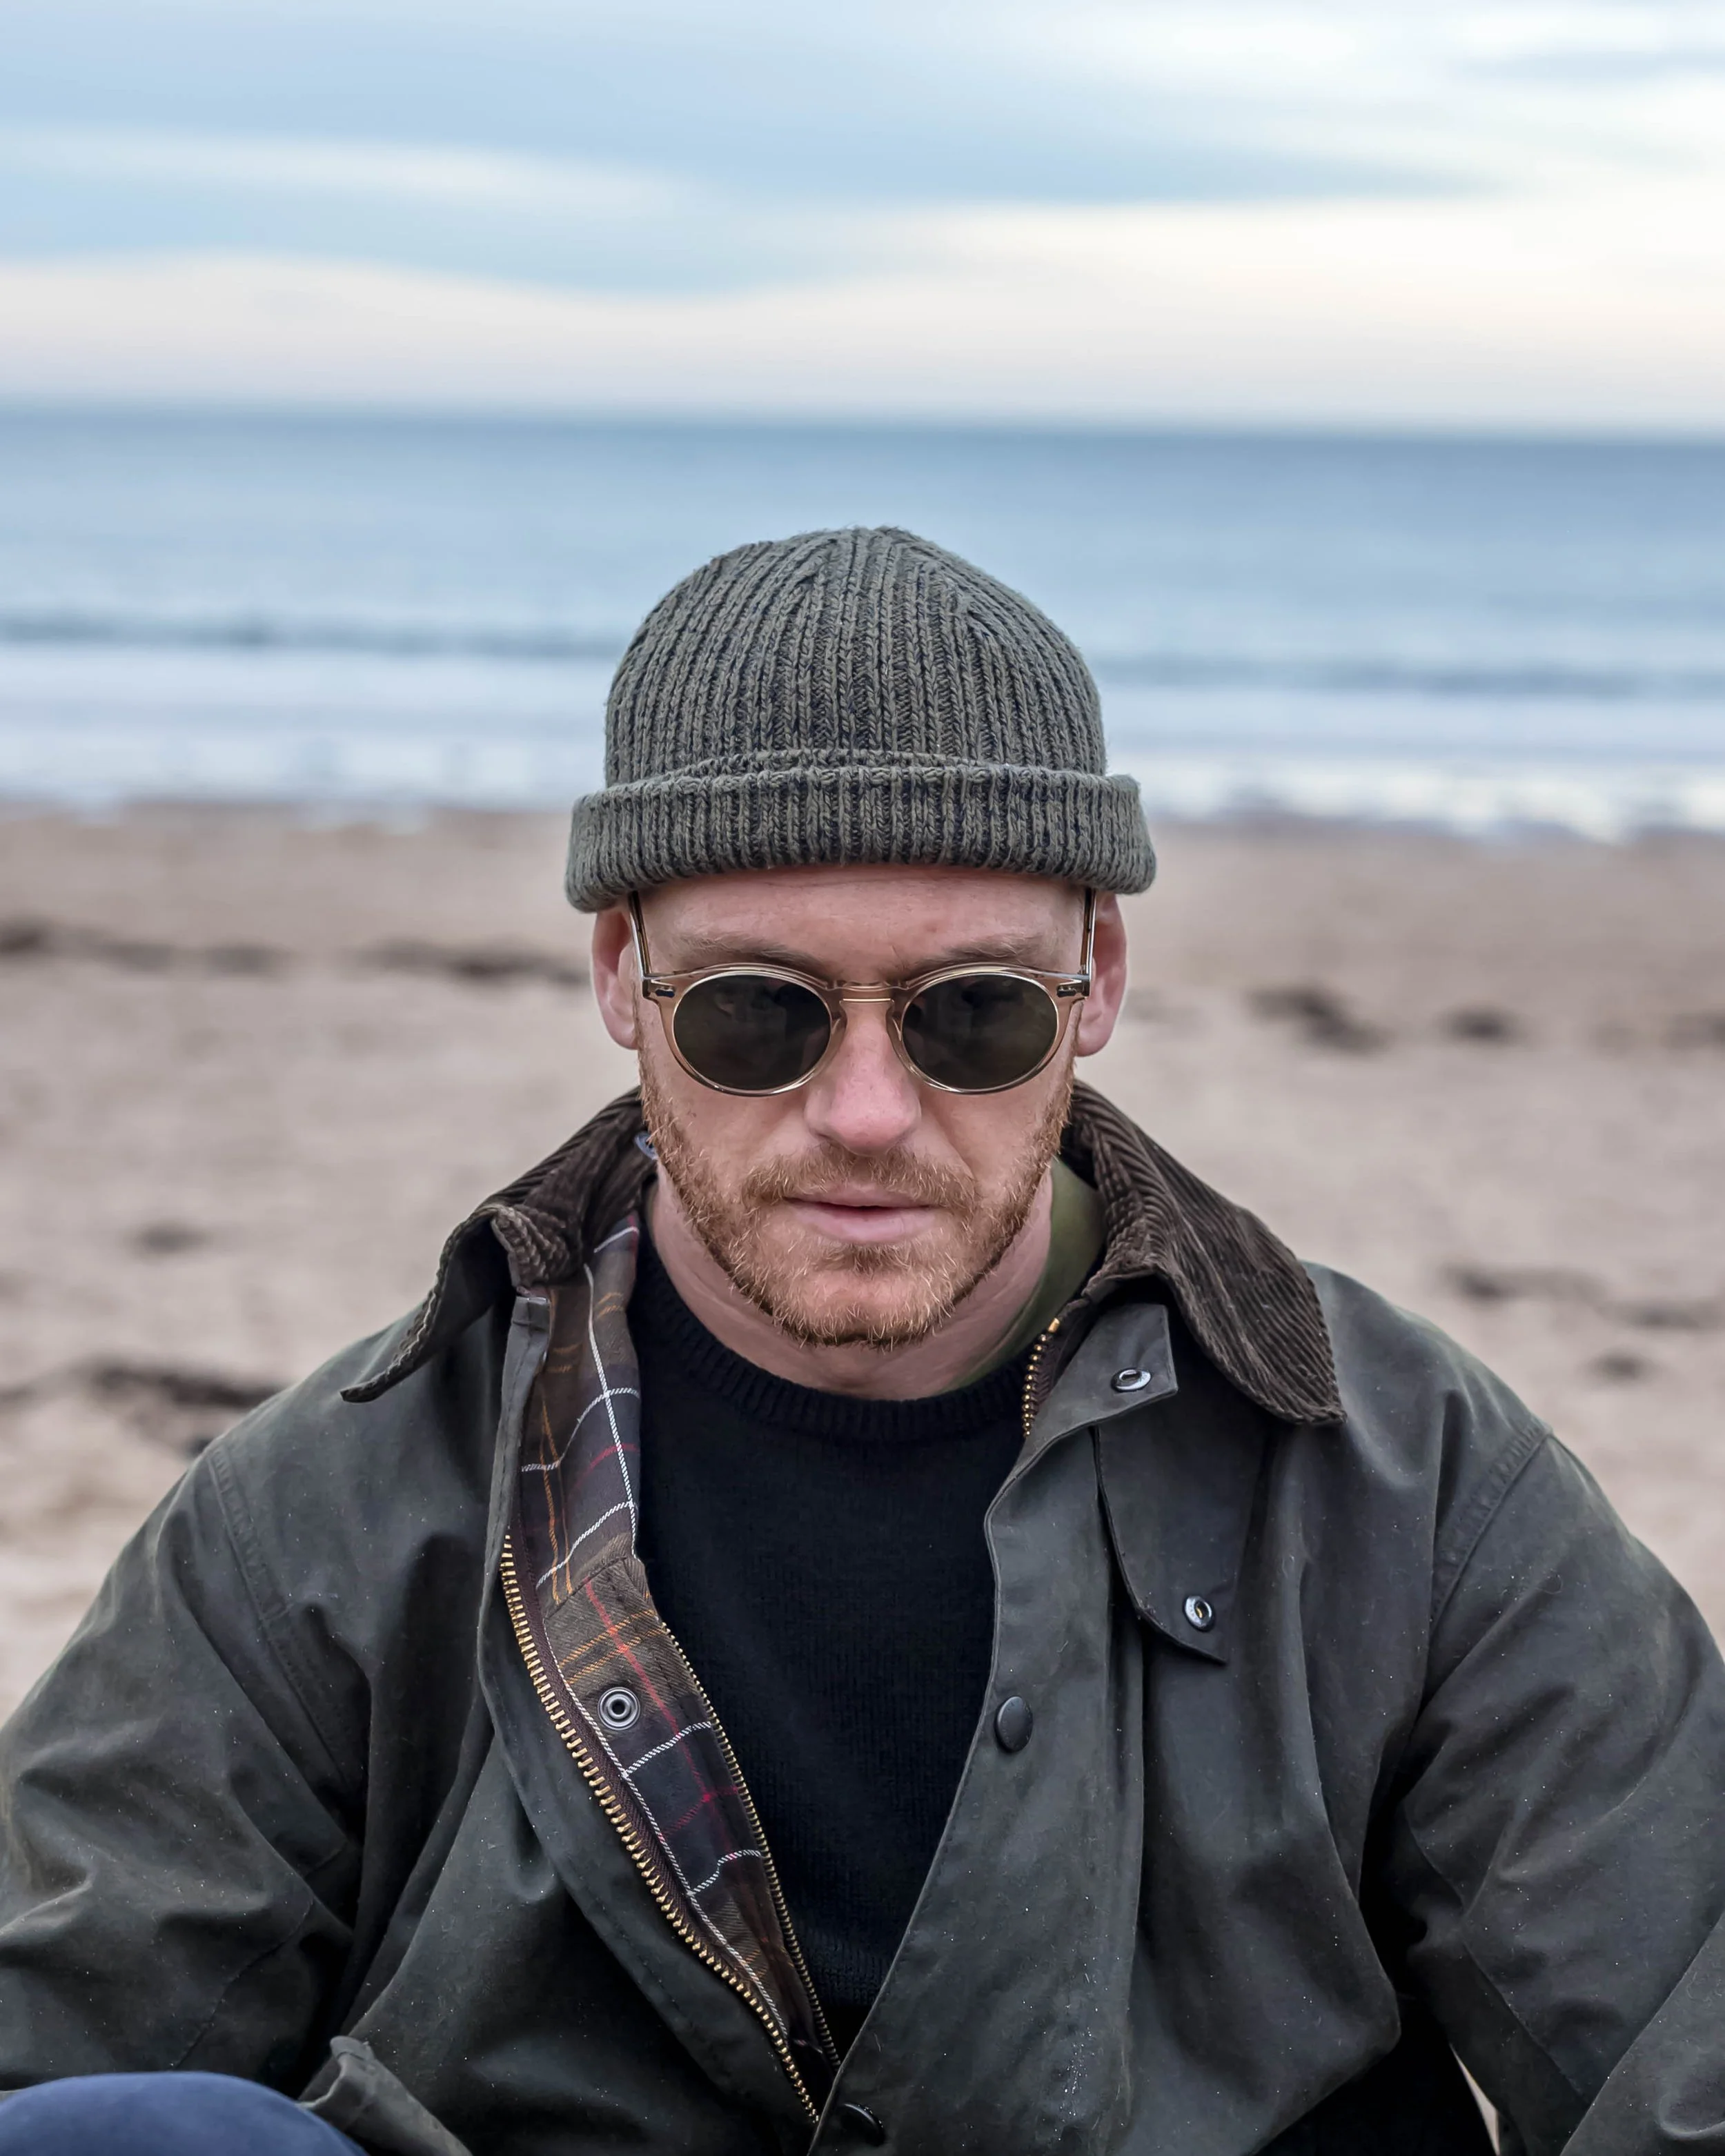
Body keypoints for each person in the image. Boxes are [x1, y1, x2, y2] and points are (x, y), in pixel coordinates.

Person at [0, 527, 1719, 2156]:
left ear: (1097, 978)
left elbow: (1675, 2041)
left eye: (975, 1012)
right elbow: (56, 2025)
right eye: (761, 1013)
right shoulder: (332, 1508)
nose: (867, 1112)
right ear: (622, 975)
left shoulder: (1402, 1483)